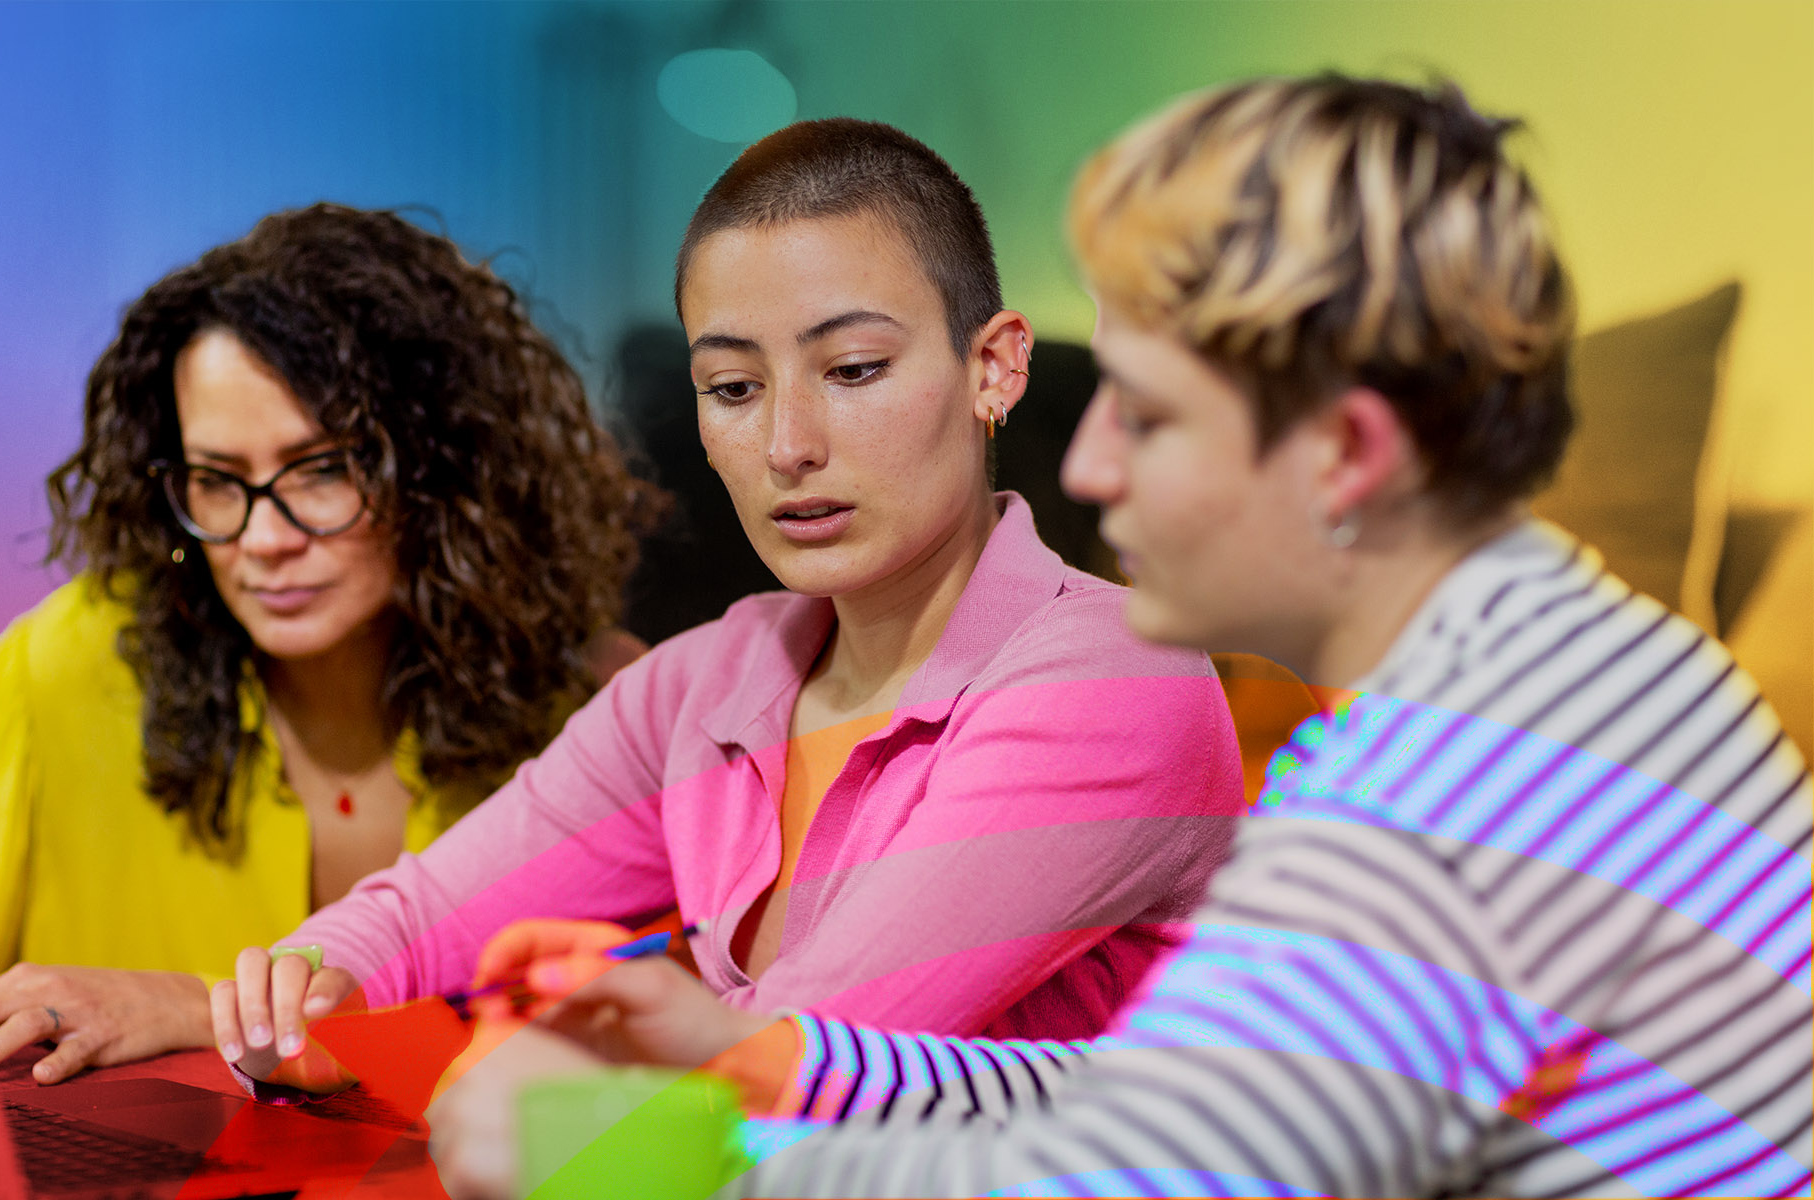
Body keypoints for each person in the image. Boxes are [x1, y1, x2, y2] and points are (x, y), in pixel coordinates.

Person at [424, 78, 1814, 1198]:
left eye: (1146, 414)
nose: (1086, 466)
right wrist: (774, 1057)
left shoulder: (1452, 801)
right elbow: (1159, 1079)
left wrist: (638, 1149)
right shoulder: (1549, 662)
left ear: (1344, 451)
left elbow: (1120, 1179)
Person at [219, 119, 1244, 1090]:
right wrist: (304, 992)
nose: (788, 445)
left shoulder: (1113, 676)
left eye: (853, 369)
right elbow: (429, 915)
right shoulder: (707, 683)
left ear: (992, 365)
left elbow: (802, 1056)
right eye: (733, 387)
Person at [0, 203, 656, 1085]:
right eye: (218, 481)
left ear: (442, 470)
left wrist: (195, 1010)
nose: (262, 539)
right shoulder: (70, 662)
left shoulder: (593, 711)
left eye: (324, 468)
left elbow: (630, 1065)